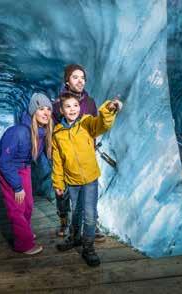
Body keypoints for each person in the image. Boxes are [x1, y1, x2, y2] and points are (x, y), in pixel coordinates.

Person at [52, 92, 122, 267]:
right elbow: (58, 161)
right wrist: (58, 183)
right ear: (61, 109)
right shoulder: (58, 133)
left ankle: (88, 248)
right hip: (72, 181)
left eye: (75, 105)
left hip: (90, 179)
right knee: (76, 212)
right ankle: (74, 238)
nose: (72, 109)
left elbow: (102, 124)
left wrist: (108, 109)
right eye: (68, 106)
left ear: (80, 107)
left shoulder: (87, 122)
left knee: (89, 215)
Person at [0, 93, 53, 255]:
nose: (46, 112)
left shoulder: (42, 132)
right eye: (41, 108)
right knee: (17, 208)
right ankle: (23, 243)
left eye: (49, 109)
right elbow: (3, 162)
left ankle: (24, 232)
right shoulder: (18, 132)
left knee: (28, 205)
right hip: (9, 168)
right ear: (34, 111)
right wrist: (17, 186)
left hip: (24, 167)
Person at [53, 64, 105, 241]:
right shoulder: (57, 104)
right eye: (75, 77)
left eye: (82, 77)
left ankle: (91, 226)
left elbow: (95, 126)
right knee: (67, 198)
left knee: (89, 200)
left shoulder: (89, 102)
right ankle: (64, 221)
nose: (80, 81)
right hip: (66, 158)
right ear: (67, 81)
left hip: (85, 156)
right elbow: (55, 132)